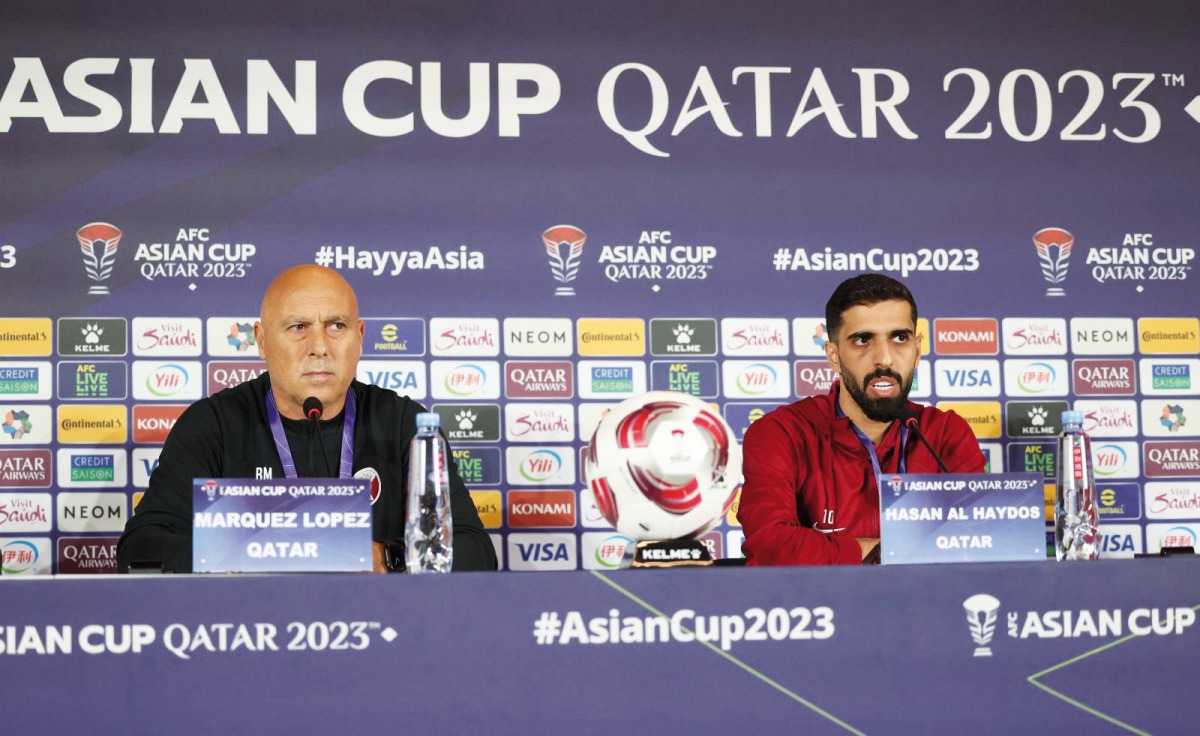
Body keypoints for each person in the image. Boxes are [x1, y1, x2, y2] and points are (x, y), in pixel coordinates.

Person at [117, 264, 497, 573]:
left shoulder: (405, 425)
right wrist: (258, 550)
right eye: (298, 327)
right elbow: (140, 549)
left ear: (360, 337)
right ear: (262, 340)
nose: (319, 347)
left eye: (336, 326)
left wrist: (389, 558)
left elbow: (476, 553)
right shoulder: (213, 424)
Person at [738, 274, 985, 565]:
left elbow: (979, 541)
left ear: (917, 351)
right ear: (834, 356)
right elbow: (771, 546)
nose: (885, 359)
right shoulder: (780, 434)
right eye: (863, 340)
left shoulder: (943, 434)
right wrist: (889, 552)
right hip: (818, 608)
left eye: (900, 338)